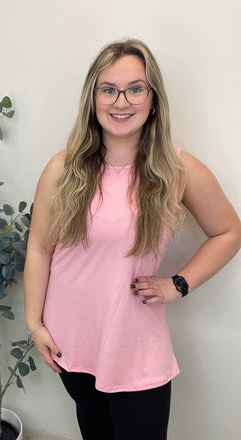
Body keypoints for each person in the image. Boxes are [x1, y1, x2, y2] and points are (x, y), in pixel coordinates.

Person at [23, 39, 241, 440]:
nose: (120, 101)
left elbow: (229, 232)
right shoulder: (63, 167)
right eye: (108, 89)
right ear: (93, 99)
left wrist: (178, 284)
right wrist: (35, 323)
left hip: (134, 343)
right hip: (71, 342)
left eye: (135, 88)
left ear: (152, 97)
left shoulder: (177, 168)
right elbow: (39, 249)